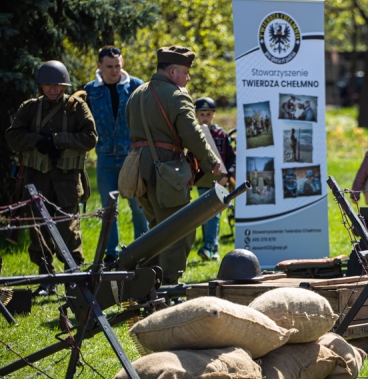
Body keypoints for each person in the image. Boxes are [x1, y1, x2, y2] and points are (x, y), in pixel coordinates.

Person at [126, 46, 221, 284]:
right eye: (185, 72)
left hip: (139, 170)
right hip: (167, 171)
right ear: (172, 71)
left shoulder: (137, 93)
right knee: (179, 231)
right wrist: (211, 161)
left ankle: (148, 285)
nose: (188, 78)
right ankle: (168, 287)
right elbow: (192, 134)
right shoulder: (176, 94)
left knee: (156, 230)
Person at [5, 61, 97, 295]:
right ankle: (46, 278)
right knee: (38, 230)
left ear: (64, 85)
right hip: (36, 179)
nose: (53, 89)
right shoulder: (30, 108)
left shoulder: (77, 108)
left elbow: (90, 138)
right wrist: (37, 141)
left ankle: (73, 277)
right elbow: (13, 137)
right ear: (41, 85)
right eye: (48, 85)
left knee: (69, 228)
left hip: (67, 180)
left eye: (57, 85)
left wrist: (58, 140)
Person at [84, 45, 149, 263]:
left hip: (132, 156)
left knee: (138, 206)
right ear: (99, 66)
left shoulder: (135, 86)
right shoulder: (90, 91)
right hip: (105, 157)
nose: (114, 70)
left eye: (118, 66)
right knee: (107, 209)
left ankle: (142, 247)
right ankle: (110, 253)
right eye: (109, 66)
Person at [194, 97, 236, 261]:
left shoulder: (221, 135)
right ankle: (211, 247)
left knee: (215, 213)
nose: (204, 117)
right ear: (196, 115)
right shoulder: (195, 135)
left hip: (221, 181)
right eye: (201, 114)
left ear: (213, 115)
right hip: (203, 181)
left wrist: (227, 177)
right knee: (205, 213)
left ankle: (209, 247)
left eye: (208, 114)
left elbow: (232, 159)